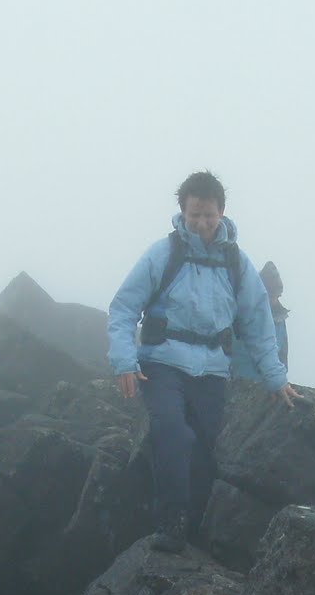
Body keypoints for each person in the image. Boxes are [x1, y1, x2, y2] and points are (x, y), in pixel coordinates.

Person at [107, 170, 299, 552]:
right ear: (183, 212)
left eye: (209, 215)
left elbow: (259, 324)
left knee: (209, 449)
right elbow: (124, 308)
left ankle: (196, 528)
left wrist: (276, 378)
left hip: (212, 369)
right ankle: (172, 522)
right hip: (161, 363)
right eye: (195, 214)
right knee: (173, 433)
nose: (202, 223)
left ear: (222, 212)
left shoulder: (236, 263)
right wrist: (124, 361)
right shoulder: (163, 254)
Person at [230, 260, 289, 380]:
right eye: (271, 295)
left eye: (277, 295)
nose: (274, 300)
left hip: (267, 386)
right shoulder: (241, 313)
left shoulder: (280, 319)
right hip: (237, 385)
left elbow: (282, 358)